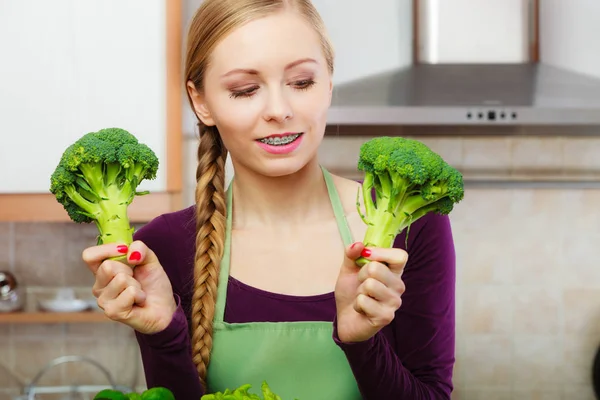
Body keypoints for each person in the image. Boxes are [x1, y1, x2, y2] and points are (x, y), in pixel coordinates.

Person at [82, 1, 457, 399]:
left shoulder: (410, 226)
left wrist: (362, 341)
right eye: (245, 90)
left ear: (329, 82)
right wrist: (163, 333)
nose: (279, 110)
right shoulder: (167, 246)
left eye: (301, 82)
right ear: (201, 101)